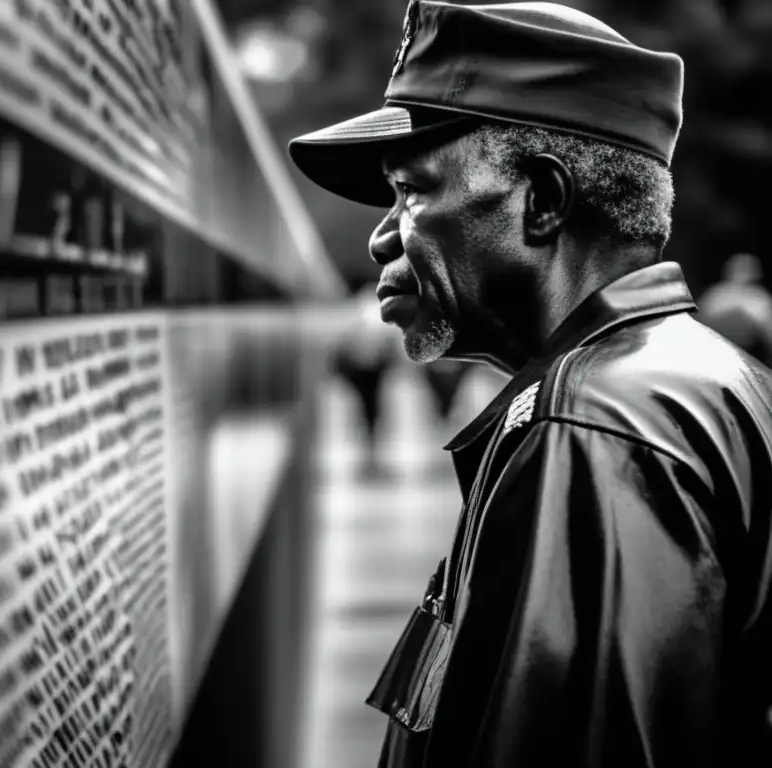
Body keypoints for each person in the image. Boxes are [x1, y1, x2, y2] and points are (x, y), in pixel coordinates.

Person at [288, 3, 772, 766]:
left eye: (411, 190)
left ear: (541, 202)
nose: (382, 235)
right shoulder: (709, 379)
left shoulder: (588, 425)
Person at [331, 282, 399, 477]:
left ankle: (370, 459)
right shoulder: (372, 314)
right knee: (371, 417)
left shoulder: (355, 316)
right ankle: (370, 459)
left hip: (366, 374)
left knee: (368, 418)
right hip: (369, 374)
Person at [696, 252, 772, 368]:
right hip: (716, 355)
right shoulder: (715, 295)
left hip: (752, 357)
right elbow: (699, 325)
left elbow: (768, 333)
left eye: (747, 270)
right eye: (740, 269)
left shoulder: (760, 297)